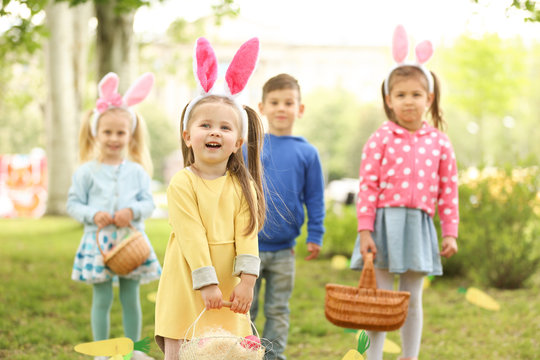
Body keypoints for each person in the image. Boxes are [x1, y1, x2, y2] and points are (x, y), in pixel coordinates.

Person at [350, 25, 459, 360]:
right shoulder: (380, 138)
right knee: (380, 300)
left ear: (429, 99)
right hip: (383, 224)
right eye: (401, 95)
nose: (408, 101)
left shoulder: (440, 142)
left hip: (419, 226)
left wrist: (450, 232)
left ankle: (409, 356)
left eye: (416, 94)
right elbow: (366, 185)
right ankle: (374, 356)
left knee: (412, 298)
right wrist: (365, 229)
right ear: (389, 100)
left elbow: (448, 189)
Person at [154, 37, 265, 360]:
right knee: (185, 341)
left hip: (228, 281)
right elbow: (191, 237)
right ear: (188, 136)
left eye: (224, 128)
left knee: (226, 348)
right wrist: (206, 283)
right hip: (189, 277)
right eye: (205, 125)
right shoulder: (182, 183)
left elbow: (247, 236)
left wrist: (246, 282)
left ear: (237, 142)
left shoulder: (243, 186)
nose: (215, 132)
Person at [67, 72, 161, 360]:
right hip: (98, 246)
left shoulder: (137, 172)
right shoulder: (86, 172)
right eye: (107, 132)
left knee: (131, 296)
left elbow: (149, 203)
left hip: (130, 245)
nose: (114, 138)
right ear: (96, 133)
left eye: (120, 133)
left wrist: (132, 211)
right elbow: (73, 204)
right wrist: (93, 214)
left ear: (130, 135)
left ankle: (132, 350)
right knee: (102, 298)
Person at [249, 73, 326, 360]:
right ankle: (246, 354)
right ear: (262, 107)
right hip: (249, 249)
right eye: (275, 102)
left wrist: (316, 234)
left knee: (278, 309)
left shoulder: (307, 152)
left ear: (300, 109)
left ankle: (274, 356)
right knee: (246, 309)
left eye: (289, 102)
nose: (281, 108)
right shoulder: (250, 148)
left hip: (284, 250)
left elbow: (315, 198)